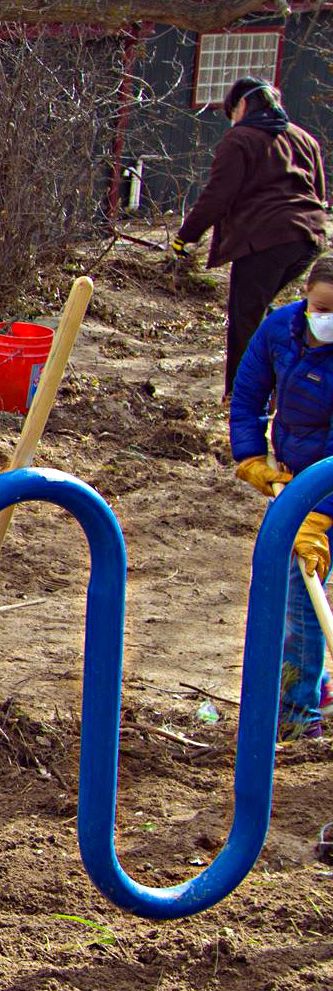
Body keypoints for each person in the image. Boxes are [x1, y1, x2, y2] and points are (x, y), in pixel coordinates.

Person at [229, 257, 333, 738]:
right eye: (321, 307)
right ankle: (310, 696)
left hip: (322, 489)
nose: (326, 320)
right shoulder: (279, 330)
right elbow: (248, 394)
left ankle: (299, 710)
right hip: (293, 480)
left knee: (306, 591)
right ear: (305, 295)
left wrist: (319, 513)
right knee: (296, 592)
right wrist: (252, 456)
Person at [173, 77, 327, 398]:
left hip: (264, 241)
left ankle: (244, 396)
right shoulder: (305, 140)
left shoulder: (239, 140)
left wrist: (186, 236)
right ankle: (281, 378)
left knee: (245, 317)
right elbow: (319, 193)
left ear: (242, 106)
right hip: (308, 239)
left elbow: (218, 196)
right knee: (261, 306)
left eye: (231, 112)